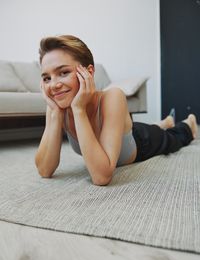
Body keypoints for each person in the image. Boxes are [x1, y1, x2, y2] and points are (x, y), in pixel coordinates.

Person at [35, 35, 198, 186]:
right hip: (121, 131)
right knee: (148, 126)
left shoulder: (113, 97)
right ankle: (165, 122)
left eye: (63, 73)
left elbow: (101, 177)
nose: (54, 85)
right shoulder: (56, 108)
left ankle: (187, 124)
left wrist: (79, 110)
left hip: (141, 141)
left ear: (88, 72)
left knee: (173, 138)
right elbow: (44, 170)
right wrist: (55, 114)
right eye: (46, 78)